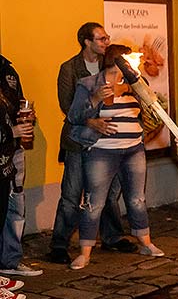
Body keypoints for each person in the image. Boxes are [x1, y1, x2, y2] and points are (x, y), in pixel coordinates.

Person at [66, 45, 165, 270]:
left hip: (133, 149)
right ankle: (85, 253)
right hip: (102, 151)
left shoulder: (136, 83)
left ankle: (146, 242)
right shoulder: (90, 84)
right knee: (94, 203)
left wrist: (148, 101)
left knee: (137, 199)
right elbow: (73, 116)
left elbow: (152, 109)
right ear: (119, 61)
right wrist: (94, 99)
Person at [49, 23, 137, 264]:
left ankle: (112, 237)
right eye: (101, 39)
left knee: (107, 193)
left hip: (107, 140)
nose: (106, 42)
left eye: (107, 38)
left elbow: (129, 87)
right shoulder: (69, 68)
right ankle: (59, 243)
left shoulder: (108, 65)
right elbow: (67, 106)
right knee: (71, 194)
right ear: (86, 42)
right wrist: (91, 120)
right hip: (79, 140)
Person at [0, 54, 41, 277]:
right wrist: (11, 131)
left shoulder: (8, 70)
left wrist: (26, 115)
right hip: (4, 146)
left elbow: (18, 104)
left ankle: (10, 261)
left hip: (13, 150)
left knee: (15, 203)